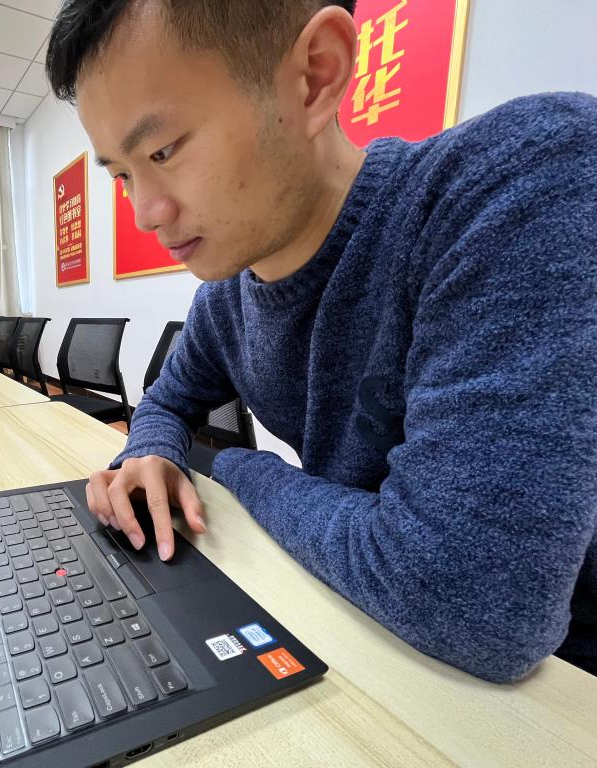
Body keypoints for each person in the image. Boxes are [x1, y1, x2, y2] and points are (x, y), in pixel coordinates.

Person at [44, 0, 597, 683]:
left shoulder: (517, 180)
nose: (145, 214)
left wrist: (235, 467)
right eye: (124, 175)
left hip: (556, 683)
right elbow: (167, 400)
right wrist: (150, 451)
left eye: (163, 151)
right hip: (369, 624)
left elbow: (473, 605)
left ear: (315, 75)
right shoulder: (226, 298)